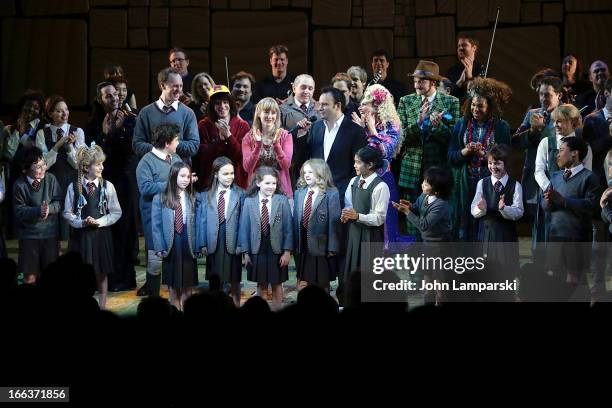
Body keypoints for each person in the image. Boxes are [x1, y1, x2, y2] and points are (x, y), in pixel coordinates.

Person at [86, 81, 139, 291]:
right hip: (103, 182)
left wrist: (118, 131)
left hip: (125, 182)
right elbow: (93, 154)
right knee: (106, 230)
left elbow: (132, 149)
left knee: (125, 229)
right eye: (108, 96)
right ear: (100, 100)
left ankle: (125, 278)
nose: (115, 98)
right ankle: (106, 277)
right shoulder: (93, 123)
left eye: (116, 94)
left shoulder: (131, 120)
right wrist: (107, 134)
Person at [398, 60, 460, 237]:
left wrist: (437, 126)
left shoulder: (450, 102)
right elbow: (400, 137)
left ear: (433, 82)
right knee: (411, 216)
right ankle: (415, 257)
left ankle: (436, 258)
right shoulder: (406, 101)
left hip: (437, 170)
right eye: (415, 81)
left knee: (435, 220)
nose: (417, 85)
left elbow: (454, 139)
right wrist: (418, 124)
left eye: (421, 81)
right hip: (411, 170)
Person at [448, 77, 512, 241]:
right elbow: (451, 157)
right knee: (466, 227)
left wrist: (485, 155)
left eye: (481, 106)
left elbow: (505, 158)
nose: (476, 109)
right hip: (465, 183)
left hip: (490, 185)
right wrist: (466, 151)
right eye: (474, 105)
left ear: (490, 107)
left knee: (487, 227)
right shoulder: (461, 125)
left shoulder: (501, 126)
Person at [63, 144, 122, 309]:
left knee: (101, 272)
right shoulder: (74, 187)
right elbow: (67, 213)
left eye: (102, 164)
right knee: (80, 273)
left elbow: (116, 212)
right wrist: (82, 222)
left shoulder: (107, 186)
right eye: (97, 164)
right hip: (81, 236)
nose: (101, 167)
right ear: (86, 167)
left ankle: (102, 307)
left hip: (101, 235)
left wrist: (99, 222)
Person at [542, 137, 600, 290]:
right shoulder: (555, 176)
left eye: (561, 150)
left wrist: (563, 200)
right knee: (554, 279)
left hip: (577, 237)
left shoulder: (590, 178)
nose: (557, 155)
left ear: (574, 153)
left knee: (574, 281)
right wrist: (548, 201)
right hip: (555, 236)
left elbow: (591, 206)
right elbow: (546, 207)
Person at [351, 84, 405, 245]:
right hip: (364, 178)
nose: (362, 107)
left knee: (385, 219)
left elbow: (384, 152)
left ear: (377, 105)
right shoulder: (364, 122)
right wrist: (362, 129)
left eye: (366, 103)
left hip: (382, 178)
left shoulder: (391, 125)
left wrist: (372, 131)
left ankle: (385, 261)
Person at [392, 166, 453, 304]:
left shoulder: (441, 205)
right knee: (427, 274)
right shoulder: (424, 195)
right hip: (427, 244)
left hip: (439, 246)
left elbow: (424, 225)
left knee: (439, 278)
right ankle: (428, 301)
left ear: (436, 190)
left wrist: (407, 212)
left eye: (426, 183)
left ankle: (440, 300)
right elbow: (418, 207)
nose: (422, 184)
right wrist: (410, 206)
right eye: (424, 181)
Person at [135, 124, 184, 297]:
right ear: (167, 142)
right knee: (155, 257)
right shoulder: (146, 161)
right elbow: (145, 188)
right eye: (176, 140)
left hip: (174, 215)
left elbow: (182, 177)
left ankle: (175, 297)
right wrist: (172, 184)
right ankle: (153, 297)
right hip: (153, 217)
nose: (179, 143)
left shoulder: (176, 158)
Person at [237, 166, 293, 311]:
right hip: (257, 249)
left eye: (274, 183)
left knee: (277, 283)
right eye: (267, 183)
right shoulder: (249, 202)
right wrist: (246, 252)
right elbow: (244, 229)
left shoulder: (282, 200)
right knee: (261, 284)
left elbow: (288, 228)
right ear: (258, 183)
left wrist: (287, 251)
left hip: (277, 249)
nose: (271, 187)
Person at [470, 144, 523, 293]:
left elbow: (519, 211)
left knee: (505, 273)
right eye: (490, 163)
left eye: (497, 163)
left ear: (505, 164)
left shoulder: (515, 185)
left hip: (505, 236)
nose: (493, 167)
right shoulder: (482, 183)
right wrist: (481, 209)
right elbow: (473, 210)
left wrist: (504, 208)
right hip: (485, 235)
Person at [340, 146, 389, 304]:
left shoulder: (380, 186)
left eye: (358, 162)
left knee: (368, 272)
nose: (355, 165)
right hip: (354, 234)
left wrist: (358, 216)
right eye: (355, 162)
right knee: (351, 269)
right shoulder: (353, 181)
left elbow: (379, 218)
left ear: (370, 165)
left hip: (370, 236)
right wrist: (346, 214)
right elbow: (348, 204)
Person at [35, 95, 86, 241]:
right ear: (50, 113)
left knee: (70, 216)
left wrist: (69, 147)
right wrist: (58, 145)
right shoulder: (42, 133)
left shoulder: (77, 131)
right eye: (59, 111)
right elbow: (42, 165)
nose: (65, 114)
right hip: (50, 182)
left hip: (71, 180)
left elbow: (79, 164)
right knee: (51, 220)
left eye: (66, 110)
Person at [196, 156, 245, 307]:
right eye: (225, 174)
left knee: (235, 279)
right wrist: (202, 242)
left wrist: (242, 245)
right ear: (216, 174)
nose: (230, 177)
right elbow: (201, 221)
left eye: (231, 173)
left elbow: (243, 221)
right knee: (215, 278)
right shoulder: (206, 195)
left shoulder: (240, 194)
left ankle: (236, 306)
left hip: (233, 240)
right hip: (213, 241)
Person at [512, 76, 563, 219]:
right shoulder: (532, 114)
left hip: (557, 178)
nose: (543, 98)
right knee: (535, 222)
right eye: (541, 94)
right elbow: (515, 143)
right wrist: (533, 131)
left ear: (559, 95)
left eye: (547, 95)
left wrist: (545, 130)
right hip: (533, 180)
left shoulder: (568, 114)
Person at [152, 161, 198, 311]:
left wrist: (199, 245)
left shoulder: (193, 197)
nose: (186, 179)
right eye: (182, 176)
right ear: (173, 176)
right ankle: (174, 311)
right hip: (170, 244)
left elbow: (198, 223)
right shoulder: (161, 198)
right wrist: (159, 246)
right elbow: (156, 226)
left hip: (187, 242)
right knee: (173, 285)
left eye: (188, 176)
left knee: (187, 285)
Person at [308, 87, 366, 205]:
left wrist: (349, 194)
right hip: (316, 194)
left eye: (324, 104)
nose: (319, 108)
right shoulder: (316, 128)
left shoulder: (355, 131)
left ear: (337, 105)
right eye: (320, 104)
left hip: (343, 196)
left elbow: (359, 167)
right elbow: (309, 158)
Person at [13, 147, 61, 284]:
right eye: (37, 166)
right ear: (25, 169)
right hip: (29, 236)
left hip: (50, 234)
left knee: (51, 275)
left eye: (43, 164)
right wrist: (38, 211)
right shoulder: (19, 185)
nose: (42, 169)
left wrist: (49, 209)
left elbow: (59, 202)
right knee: (29, 277)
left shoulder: (51, 179)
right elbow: (19, 210)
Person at [132, 67, 199, 164]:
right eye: (175, 86)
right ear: (162, 85)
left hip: (180, 174)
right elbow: (137, 145)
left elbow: (194, 146)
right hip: (153, 171)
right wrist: (159, 149)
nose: (179, 90)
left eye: (181, 86)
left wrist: (171, 145)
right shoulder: (145, 113)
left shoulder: (188, 113)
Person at [293, 159, 341, 291]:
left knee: (322, 282)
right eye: (305, 172)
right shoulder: (299, 193)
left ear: (320, 173)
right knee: (309, 281)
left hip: (322, 248)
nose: (306, 175)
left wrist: (332, 247)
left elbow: (334, 224)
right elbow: (296, 219)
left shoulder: (331, 194)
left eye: (311, 172)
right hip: (304, 245)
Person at [196, 85, 249, 190]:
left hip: (237, 183)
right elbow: (202, 156)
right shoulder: (203, 125)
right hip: (211, 183)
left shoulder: (243, 125)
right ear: (212, 106)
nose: (222, 106)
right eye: (217, 103)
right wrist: (219, 141)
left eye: (225, 102)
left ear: (230, 103)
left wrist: (229, 136)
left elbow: (242, 157)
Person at [242, 97, 293, 198]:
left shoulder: (285, 135)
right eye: (266, 112)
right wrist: (257, 145)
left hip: (281, 191)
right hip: (256, 191)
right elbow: (247, 167)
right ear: (259, 114)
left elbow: (286, 165)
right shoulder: (248, 137)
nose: (270, 116)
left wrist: (277, 145)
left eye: (273, 113)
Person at [280, 74, 320, 188]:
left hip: (315, 163)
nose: (307, 91)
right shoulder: (282, 109)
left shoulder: (319, 108)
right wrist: (296, 132)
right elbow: (278, 138)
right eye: (303, 87)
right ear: (294, 88)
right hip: (293, 165)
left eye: (310, 88)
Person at [444, 36, 486, 102]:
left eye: (464, 45)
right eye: (459, 46)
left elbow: (482, 95)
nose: (460, 48)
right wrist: (458, 84)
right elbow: (445, 96)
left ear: (474, 48)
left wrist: (470, 77)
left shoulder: (482, 69)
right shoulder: (451, 71)